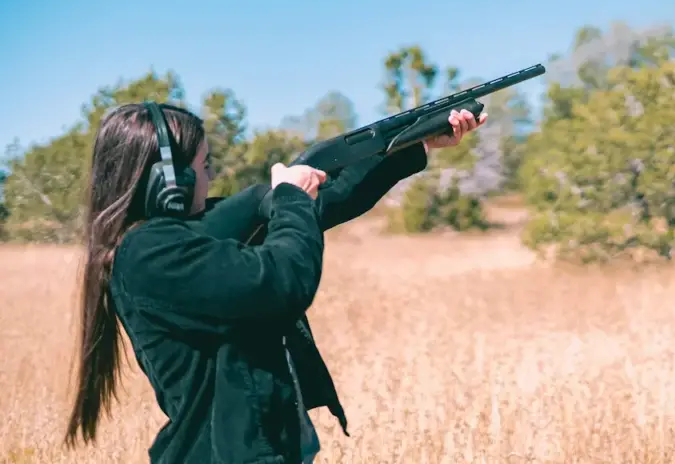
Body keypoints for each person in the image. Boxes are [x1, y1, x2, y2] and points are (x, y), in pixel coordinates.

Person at [63, 101, 485, 463]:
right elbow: (282, 282)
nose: (210, 177)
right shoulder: (150, 256)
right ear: (169, 184)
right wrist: (291, 198)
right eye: (203, 166)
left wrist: (415, 146)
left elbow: (330, 202)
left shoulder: (185, 238)